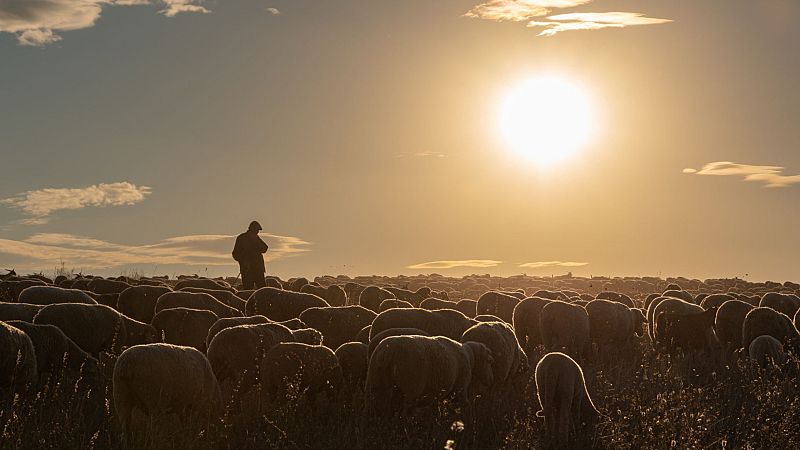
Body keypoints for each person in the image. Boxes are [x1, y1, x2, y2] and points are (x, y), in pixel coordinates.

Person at [232, 221, 269, 290]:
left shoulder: (256, 238)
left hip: (258, 269)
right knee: (248, 290)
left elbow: (265, 248)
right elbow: (235, 254)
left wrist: (256, 240)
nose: (258, 232)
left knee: (262, 290)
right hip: (247, 270)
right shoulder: (241, 238)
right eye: (257, 230)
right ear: (252, 229)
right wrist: (243, 261)